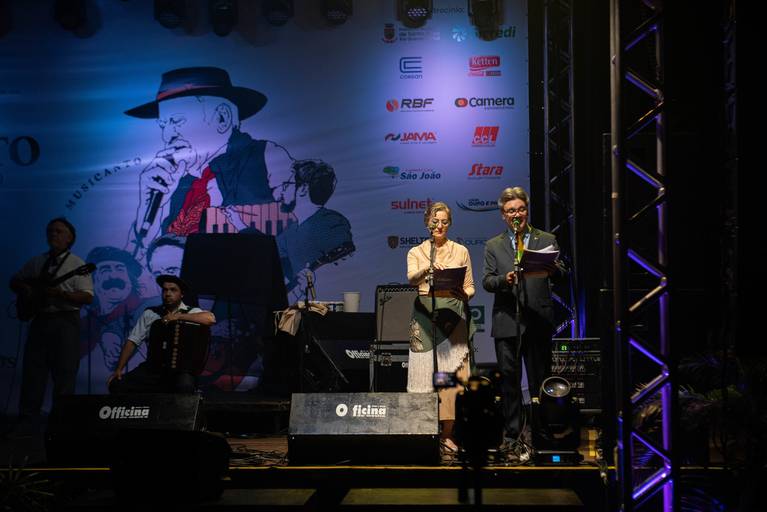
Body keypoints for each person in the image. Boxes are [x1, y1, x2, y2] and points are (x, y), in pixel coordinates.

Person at [124, 66, 292, 262]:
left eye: (177, 121)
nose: (167, 135)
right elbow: (137, 267)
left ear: (222, 118)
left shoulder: (265, 157)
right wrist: (148, 212)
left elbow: (299, 229)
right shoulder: (177, 184)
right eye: (164, 125)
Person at [482, 187, 565, 455]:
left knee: (541, 381)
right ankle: (512, 437)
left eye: (520, 209)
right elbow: (487, 281)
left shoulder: (546, 239)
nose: (516, 215)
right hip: (507, 320)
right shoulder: (493, 245)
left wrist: (553, 269)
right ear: (503, 215)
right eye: (510, 211)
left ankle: (542, 435)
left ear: (526, 210)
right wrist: (504, 279)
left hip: (538, 320)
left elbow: (562, 274)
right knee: (510, 383)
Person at [406, 202, 475, 453]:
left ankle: (447, 435)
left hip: (453, 316)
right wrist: (429, 268)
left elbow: (471, 287)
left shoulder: (461, 250)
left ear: (450, 223)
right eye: (435, 221)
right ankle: (423, 432)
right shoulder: (416, 252)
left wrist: (464, 294)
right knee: (425, 376)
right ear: (427, 223)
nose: (440, 226)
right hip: (426, 317)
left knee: (451, 378)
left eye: (444, 222)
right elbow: (411, 278)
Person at [9, 217, 94, 423]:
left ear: (69, 238)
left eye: (58, 231)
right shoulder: (37, 261)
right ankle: (27, 419)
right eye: (50, 231)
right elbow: (15, 281)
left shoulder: (77, 263)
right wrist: (27, 289)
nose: (53, 234)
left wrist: (61, 294)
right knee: (33, 370)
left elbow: (87, 296)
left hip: (66, 321)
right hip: (40, 319)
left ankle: (61, 422)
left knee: (65, 371)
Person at [107, 275, 215, 394]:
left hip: (182, 371)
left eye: (173, 290)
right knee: (116, 385)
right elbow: (132, 341)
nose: (168, 294)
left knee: (185, 387)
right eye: (165, 290)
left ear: (181, 294)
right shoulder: (150, 313)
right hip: (152, 370)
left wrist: (178, 316)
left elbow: (210, 319)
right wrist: (119, 369)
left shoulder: (193, 312)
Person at [271, 158, 354, 302]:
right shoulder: (289, 232)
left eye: (286, 185)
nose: (281, 191)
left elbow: (346, 267)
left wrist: (317, 280)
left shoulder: (332, 223)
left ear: (303, 189)